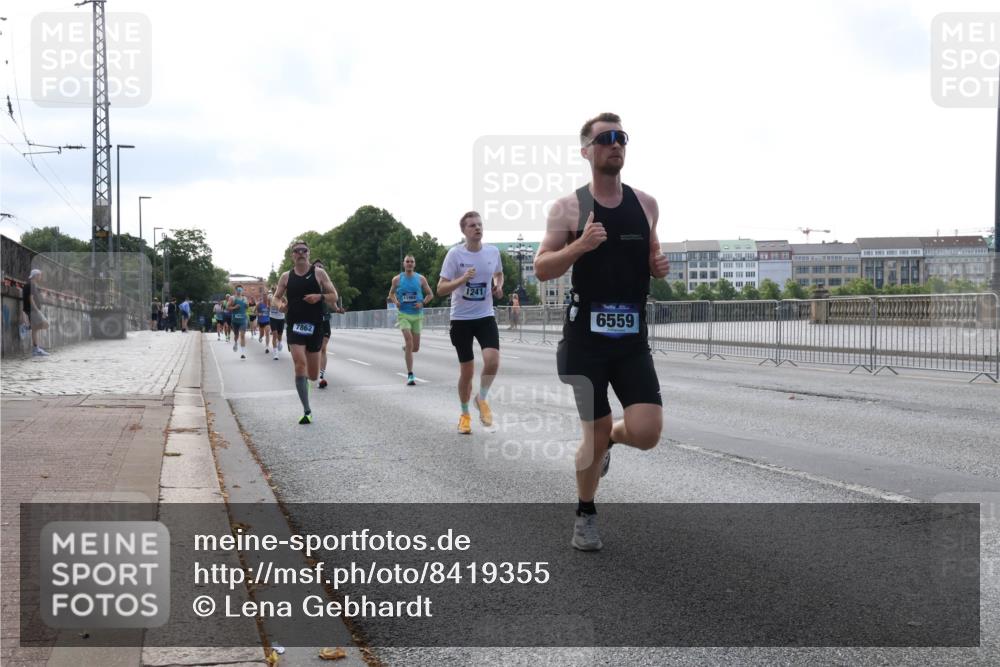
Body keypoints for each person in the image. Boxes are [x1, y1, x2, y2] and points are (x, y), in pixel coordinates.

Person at [534, 112, 670, 552]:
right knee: (591, 435)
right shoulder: (568, 208)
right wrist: (580, 245)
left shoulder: (646, 204)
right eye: (606, 138)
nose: (616, 144)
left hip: (631, 339)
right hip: (585, 341)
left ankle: (613, 436)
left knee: (647, 432)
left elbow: (652, 255)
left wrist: (658, 265)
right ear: (587, 151)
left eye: (621, 138)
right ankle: (585, 511)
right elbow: (541, 268)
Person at [437, 212, 504, 434]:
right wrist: (462, 279)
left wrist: (498, 285)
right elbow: (440, 289)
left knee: (492, 361)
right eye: (472, 225)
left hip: (485, 316)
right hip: (461, 319)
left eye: (480, 224)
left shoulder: (492, 252)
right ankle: (465, 414)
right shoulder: (454, 255)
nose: (477, 228)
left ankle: (481, 399)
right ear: (464, 231)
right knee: (467, 372)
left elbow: (498, 273)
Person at [273, 241, 339, 423]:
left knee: (313, 374)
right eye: (297, 251)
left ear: (309, 253)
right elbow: (276, 298)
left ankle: (307, 384)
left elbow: (334, 296)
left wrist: (319, 297)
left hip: (315, 326)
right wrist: (280, 306)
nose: (301, 253)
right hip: (295, 325)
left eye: (304, 250)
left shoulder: (318, 273)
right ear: (292, 255)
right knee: (299, 364)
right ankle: (306, 410)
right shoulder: (286, 277)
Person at [388, 254, 434, 386]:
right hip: (403, 315)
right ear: (404, 264)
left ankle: (406, 348)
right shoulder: (397, 279)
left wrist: (423, 303)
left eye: (411, 262)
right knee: (409, 341)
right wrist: (396, 301)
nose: (409, 263)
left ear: (414, 264)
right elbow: (391, 294)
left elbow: (430, 294)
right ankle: (410, 375)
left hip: (417, 315)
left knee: (415, 347)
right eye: (407, 261)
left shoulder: (421, 279)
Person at [22, 268, 50, 356]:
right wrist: (37, 310)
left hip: (31, 310)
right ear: (36, 275)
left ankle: (36, 348)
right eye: (40, 275)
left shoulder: (29, 284)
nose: (40, 277)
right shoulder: (31, 285)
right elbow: (31, 299)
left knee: (35, 329)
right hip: (33, 310)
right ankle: (36, 348)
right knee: (45, 324)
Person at [228, 286, 249, 359]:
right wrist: (234, 307)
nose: (239, 291)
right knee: (236, 335)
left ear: (242, 290)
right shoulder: (232, 298)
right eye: (238, 289)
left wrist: (247, 305)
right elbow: (228, 307)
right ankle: (236, 343)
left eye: (241, 290)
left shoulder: (245, 298)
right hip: (235, 320)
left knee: (242, 335)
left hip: (243, 320)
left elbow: (247, 307)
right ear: (236, 290)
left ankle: (243, 353)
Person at [268, 291, 286, 360]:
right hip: (273, 318)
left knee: (279, 336)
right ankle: (275, 353)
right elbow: (268, 305)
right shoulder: (271, 297)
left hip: (281, 318)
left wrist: (282, 303)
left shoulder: (283, 298)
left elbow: (285, 306)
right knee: (274, 335)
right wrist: (271, 305)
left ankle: (280, 342)